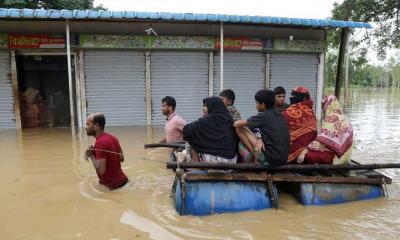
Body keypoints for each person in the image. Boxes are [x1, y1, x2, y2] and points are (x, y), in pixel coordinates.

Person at [234, 89, 290, 166]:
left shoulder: (262, 116)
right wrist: (260, 139)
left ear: (262, 105)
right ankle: (258, 156)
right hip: (283, 159)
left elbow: (236, 124)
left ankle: (256, 157)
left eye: (256, 103)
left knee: (239, 128)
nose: (256, 105)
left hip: (271, 160)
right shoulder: (280, 115)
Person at [297, 95, 353, 165]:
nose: (322, 107)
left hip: (336, 157)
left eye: (323, 105)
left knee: (308, 155)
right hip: (345, 157)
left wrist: (304, 151)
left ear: (328, 105)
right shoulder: (343, 117)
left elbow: (321, 140)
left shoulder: (332, 118)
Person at [183, 96, 238, 163]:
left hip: (214, 161)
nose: (203, 109)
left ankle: (195, 165)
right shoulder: (228, 119)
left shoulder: (207, 120)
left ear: (212, 107)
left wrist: (203, 118)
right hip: (231, 161)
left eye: (206, 106)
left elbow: (186, 130)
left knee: (191, 138)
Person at [85, 113, 128, 190]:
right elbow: (121, 158)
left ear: (96, 126)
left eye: (88, 124)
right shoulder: (113, 138)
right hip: (124, 181)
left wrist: (91, 155)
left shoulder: (100, 142)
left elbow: (101, 171)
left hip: (114, 187)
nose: (86, 127)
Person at [281, 86, 317, 163]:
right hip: (307, 152)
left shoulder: (287, 112)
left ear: (303, 98)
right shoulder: (311, 112)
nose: (291, 97)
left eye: (294, 95)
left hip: (291, 154)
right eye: (291, 95)